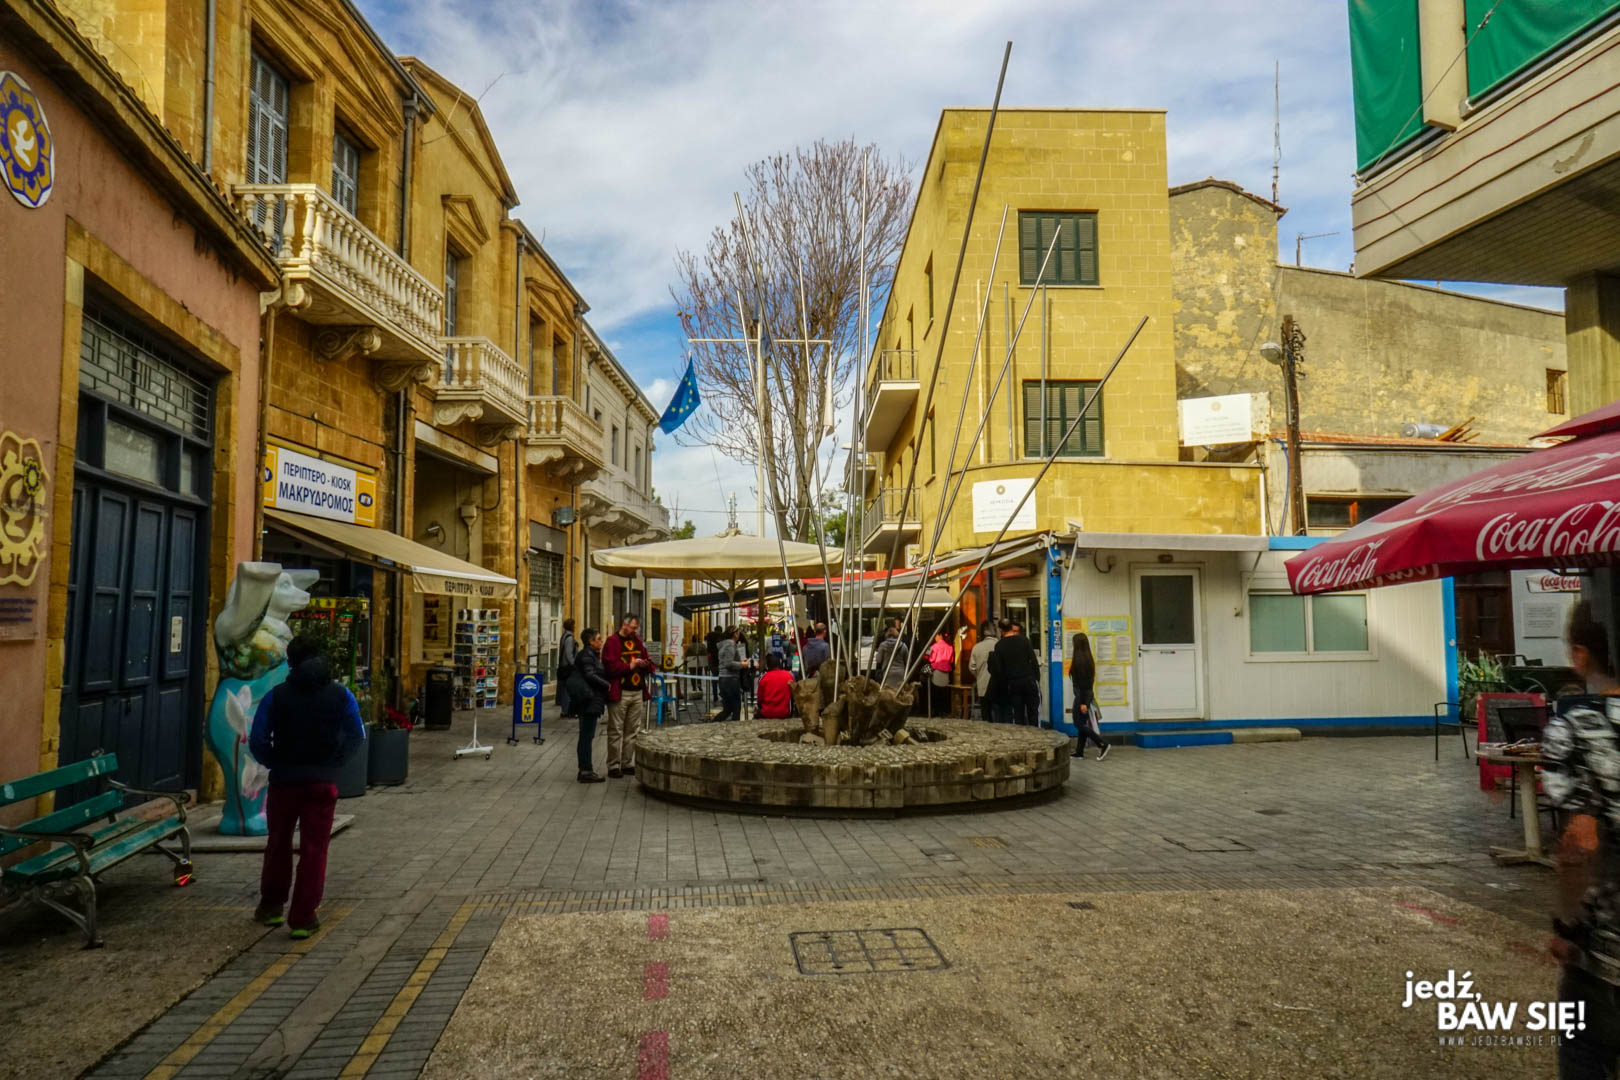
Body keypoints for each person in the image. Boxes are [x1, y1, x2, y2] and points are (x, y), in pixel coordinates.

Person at [1543, 604, 1620, 1078]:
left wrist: (1566, 927)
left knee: (1586, 1057)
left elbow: (1581, 842)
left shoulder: (1574, 731)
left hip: (1605, 957)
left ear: (1580, 654)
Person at [249, 634, 366, 938]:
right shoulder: (341, 695)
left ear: (291, 662)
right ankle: (303, 917)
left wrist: (273, 761)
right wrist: (334, 762)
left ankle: (272, 905)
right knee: (315, 850)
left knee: (278, 843)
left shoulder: (276, 696)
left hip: (284, 781)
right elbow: (357, 734)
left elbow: (258, 738)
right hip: (321, 783)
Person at [601, 613, 654, 778]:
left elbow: (648, 659)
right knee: (616, 729)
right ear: (624, 625)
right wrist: (630, 666)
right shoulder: (612, 642)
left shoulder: (637, 641)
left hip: (637, 691)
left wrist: (645, 664)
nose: (635, 630)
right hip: (621, 692)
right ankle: (613, 765)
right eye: (633, 627)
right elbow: (610, 667)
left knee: (632, 730)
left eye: (636, 628)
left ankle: (627, 762)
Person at [565, 629, 608, 783]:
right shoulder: (586, 656)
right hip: (588, 700)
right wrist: (607, 685)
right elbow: (590, 675)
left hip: (590, 700)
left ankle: (585, 769)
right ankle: (585, 770)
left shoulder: (591, 655)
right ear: (591, 641)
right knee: (586, 736)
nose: (601, 641)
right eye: (599, 639)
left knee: (587, 735)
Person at [990, 620, 1041, 726]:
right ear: (1011, 627)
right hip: (1029, 680)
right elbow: (1033, 660)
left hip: (1013, 683)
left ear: (1000, 630)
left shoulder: (999, 645)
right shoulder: (1024, 640)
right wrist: (1037, 678)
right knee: (1033, 711)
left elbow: (999, 669)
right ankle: (1035, 731)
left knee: (1018, 713)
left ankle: (1020, 733)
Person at [1070, 631, 1108, 759]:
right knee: (1082, 724)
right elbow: (1088, 685)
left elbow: (1081, 686)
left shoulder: (1079, 662)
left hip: (1081, 698)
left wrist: (1083, 703)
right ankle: (1079, 752)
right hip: (1086, 696)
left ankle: (1102, 744)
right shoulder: (1088, 661)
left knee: (1078, 723)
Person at [970, 620, 998, 722]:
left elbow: (972, 667)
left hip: (983, 685)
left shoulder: (976, 647)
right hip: (999, 685)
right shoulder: (1000, 644)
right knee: (999, 714)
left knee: (986, 714)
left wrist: (979, 676)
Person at [715, 626, 744, 722]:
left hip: (723, 678)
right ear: (734, 633)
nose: (739, 634)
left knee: (727, 709)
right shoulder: (730, 644)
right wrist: (742, 664)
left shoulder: (724, 644)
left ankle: (712, 724)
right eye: (738, 632)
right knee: (736, 708)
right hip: (730, 679)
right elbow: (728, 663)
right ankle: (735, 727)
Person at [757, 653, 795, 719]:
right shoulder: (789, 676)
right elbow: (793, 695)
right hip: (785, 713)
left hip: (767, 714)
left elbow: (759, 700)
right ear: (780, 664)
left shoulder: (764, 678)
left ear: (767, 666)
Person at [927, 630, 955, 717]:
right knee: (944, 692)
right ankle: (943, 711)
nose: (935, 638)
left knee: (936, 692)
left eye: (935, 636)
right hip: (946, 672)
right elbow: (951, 660)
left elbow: (931, 659)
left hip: (937, 671)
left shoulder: (934, 647)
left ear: (940, 636)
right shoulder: (950, 647)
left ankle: (936, 710)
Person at [556, 618, 578, 718]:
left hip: (564, 667)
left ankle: (565, 710)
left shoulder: (564, 636)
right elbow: (569, 654)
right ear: (571, 626)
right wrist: (574, 665)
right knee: (568, 690)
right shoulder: (569, 638)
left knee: (565, 689)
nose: (575, 627)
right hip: (567, 668)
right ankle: (567, 711)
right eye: (574, 625)